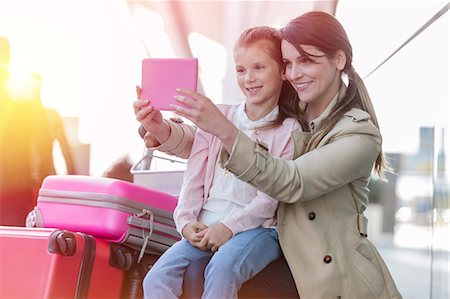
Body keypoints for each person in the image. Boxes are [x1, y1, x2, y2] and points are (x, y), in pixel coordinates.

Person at [135, 11, 403, 299]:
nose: (294, 73)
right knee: (175, 274)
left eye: (307, 61)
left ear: (338, 61)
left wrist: (224, 129)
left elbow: (290, 180)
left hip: (334, 278)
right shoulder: (294, 113)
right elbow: (210, 146)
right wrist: (162, 131)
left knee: (218, 269)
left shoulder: (357, 134)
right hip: (283, 257)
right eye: (289, 63)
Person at [135, 26, 303, 299]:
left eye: (259, 67)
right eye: (240, 70)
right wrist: (186, 222)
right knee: (157, 278)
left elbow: (270, 200)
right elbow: (194, 180)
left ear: (282, 70)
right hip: (205, 225)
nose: (249, 78)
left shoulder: (289, 130)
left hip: (258, 230)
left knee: (223, 268)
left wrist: (228, 227)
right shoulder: (216, 116)